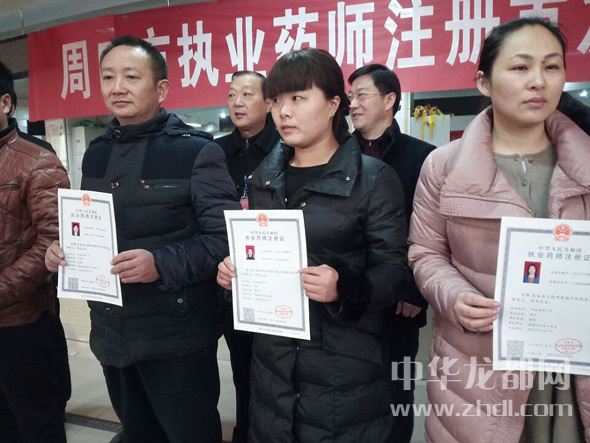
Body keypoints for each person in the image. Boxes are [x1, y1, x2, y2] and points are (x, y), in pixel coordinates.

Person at [45, 35, 239, 443]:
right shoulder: (97, 152)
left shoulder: (195, 152)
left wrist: (160, 264)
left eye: (131, 77)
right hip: (111, 332)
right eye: (108, 77)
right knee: (137, 433)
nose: (118, 87)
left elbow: (224, 239)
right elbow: (91, 227)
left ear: (161, 89)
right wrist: (65, 250)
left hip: (178, 337)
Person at [408, 17, 590, 442]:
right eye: (520, 67)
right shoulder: (444, 166)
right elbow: (425, 252)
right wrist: (454, 296)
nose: (538, 81)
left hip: (572, 368)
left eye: (552, 66)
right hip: (481, 368)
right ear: (484, 83)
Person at [217, 48, 409, 442]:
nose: (283, 112)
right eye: (276, 100)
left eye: (298, 98)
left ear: (333, 104)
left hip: (344, 370)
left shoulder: (374, 179)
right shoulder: (264, 181)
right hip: (272, 366)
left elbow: (394, 272)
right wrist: (235, 275)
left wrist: (344, 287)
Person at [348, 63, 435, 443]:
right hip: (350, 294)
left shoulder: (423, 157)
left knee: (398, 389)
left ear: (389, 100)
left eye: (361, 94)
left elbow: (432, 231)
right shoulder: (336, 154)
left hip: (401, 299)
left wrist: (416, 290)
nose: (352, 104)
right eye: (350, 96)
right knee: (353, 389)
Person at [0, 60, 70, 443]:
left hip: (21, 325)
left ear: (5, 103)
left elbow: (52, 243)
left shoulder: (37, 161)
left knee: (36, 425)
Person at [215, 70, 280, 443]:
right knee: (241, 368)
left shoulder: (285, 147)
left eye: (247, 94)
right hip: (230, 279)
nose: (237, 102)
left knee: (276, 371)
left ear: (269, 102)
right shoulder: (215, 152)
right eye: (231, 95)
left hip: (274, 278)